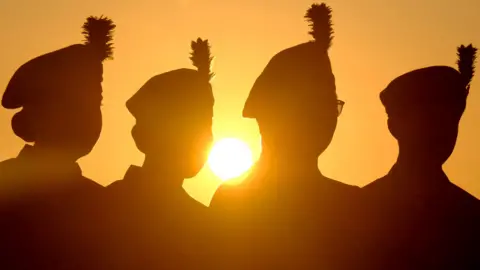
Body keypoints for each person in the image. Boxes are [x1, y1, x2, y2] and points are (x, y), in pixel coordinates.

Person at [209, 3, 360, 269]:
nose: (326, 118)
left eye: (330, 104)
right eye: (312, 105)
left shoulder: (355, 207)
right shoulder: (232, 205)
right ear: (271, 116)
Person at [0, 16, 115, 269]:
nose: (89, 118)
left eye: (96, 104)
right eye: (73, 106)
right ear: (37, 115)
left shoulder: (106, 205)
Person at [360, 44, 480, 269]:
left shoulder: (473, 219)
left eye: (450, 120)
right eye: (429, 118)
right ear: (394, 126)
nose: (441, 130)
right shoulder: (357, 211)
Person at [103, 38, 215, 269]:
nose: (205, 140)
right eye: (193, 129)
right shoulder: (100, 209)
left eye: (207, 128)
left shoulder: (205, 223)